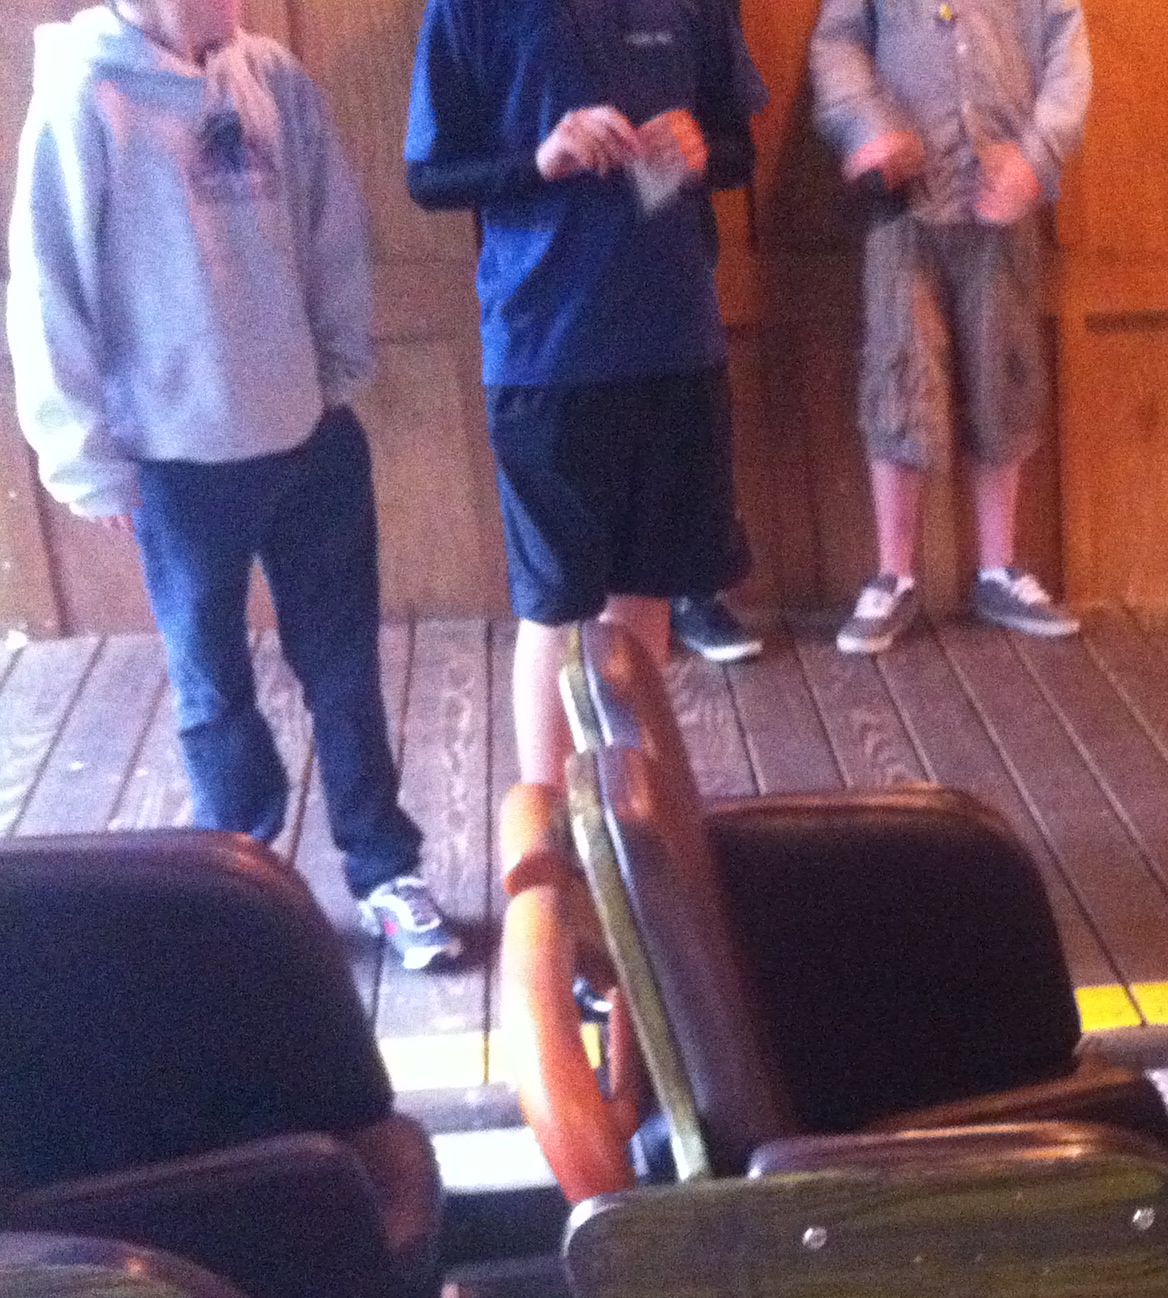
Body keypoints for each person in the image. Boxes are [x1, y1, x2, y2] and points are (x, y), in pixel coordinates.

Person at [7, 0, 464, 970]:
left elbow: (332, 231)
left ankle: (384, 869)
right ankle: (240, 882)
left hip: (309, 436)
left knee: (345, 671)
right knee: (212, 688)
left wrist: (335, 375)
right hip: (177, 459)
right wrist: (85, 459)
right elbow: (47, 290)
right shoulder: (84, 93)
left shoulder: (272, 78)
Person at [406, 0, 763, 788]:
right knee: (556, 605)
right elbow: (428, 177)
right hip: (546, 351)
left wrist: (695, 152)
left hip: (675, 340)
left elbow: (738, 151)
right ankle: (544, 831)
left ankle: (631, 815)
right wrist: (542, 158)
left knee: (646, 594)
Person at [810, 0, 1089, 654]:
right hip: (901, 204)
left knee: (1004, 376)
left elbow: (1067, 58)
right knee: (898, 375)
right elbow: (837, 45)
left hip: (1004, 198)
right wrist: (867, 126)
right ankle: (894, 576)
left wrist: (1037, 158)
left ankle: (998, 570)